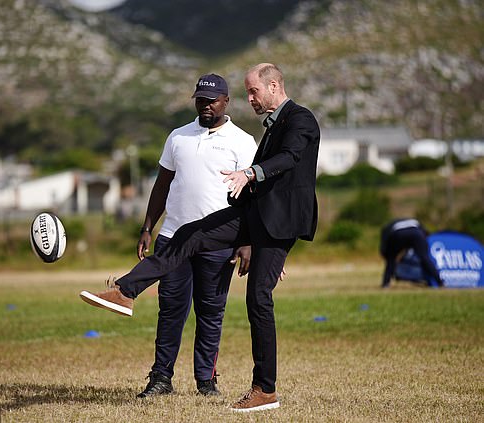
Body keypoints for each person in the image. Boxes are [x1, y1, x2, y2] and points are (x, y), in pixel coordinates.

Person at [80, 63, 320, 413]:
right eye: (247, 92)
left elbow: (291, 157)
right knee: (192, 232)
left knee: (258, 300)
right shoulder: (267, 125)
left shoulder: (300, 118)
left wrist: (251, 174)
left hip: (278, 224)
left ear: (273, 85)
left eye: (253, 91)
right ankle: (125, 291)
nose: (249, 98)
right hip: (256, 215)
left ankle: (265, 390)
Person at [134, 73, 257, 398]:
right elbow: (162, 186)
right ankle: (161, 379)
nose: (205, 106)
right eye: (200, 100)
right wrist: (148, 227)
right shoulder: (178, 137)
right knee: (170, 311)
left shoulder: (242, 141)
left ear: (226, 102)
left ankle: (206, 380)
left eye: (211, 100)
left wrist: (246, 241)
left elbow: (251, 198)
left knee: (210, 311)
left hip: (219, 243)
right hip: (173, 239)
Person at [380, 218, 444, 288]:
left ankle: (385, 284)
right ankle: (439, 282)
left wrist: (387, 255)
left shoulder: (390, 225)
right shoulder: (415, 221)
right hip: (417, 234)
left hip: (398, 235)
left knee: (391, 259)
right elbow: (426, 234)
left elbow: (385, 242)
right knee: (425, 258)